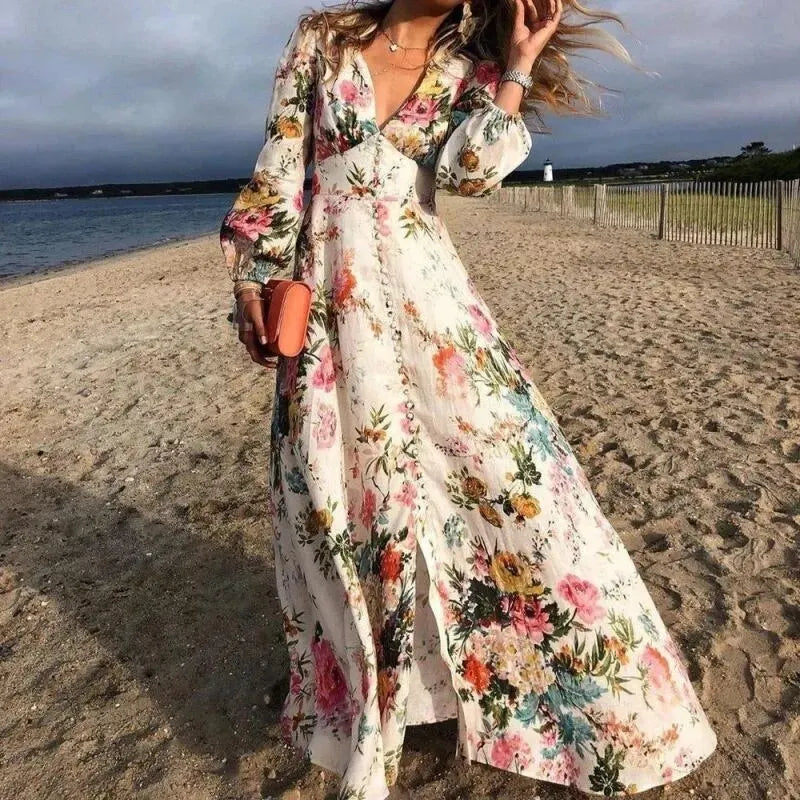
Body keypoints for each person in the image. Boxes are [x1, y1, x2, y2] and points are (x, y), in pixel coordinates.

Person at [219, 1, 717, 797]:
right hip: (327, 302)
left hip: (433, 309)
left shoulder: (470, 63)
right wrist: (252, 278)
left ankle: (594, 696)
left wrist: (517, 67)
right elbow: (281, 166)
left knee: (521, 483)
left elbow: (469, 174)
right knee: (344, 500)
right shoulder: (324, 39)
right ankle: (388, 691)